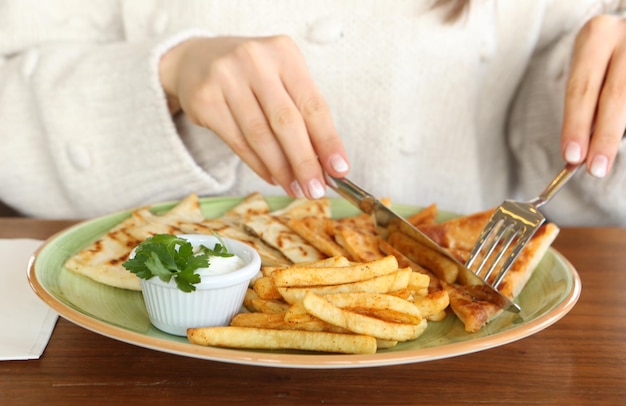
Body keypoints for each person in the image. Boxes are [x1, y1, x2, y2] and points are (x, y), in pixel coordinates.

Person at [0, 0, 625, 226]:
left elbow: (580, 173)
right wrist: (169, 75)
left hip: (467, 367)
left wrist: (603, 105)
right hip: (148, 352)